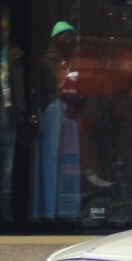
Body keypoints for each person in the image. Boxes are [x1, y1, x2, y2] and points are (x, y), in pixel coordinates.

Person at [32, 21, 81, 221]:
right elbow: (40, 94)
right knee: (51, 162)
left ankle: (60, 209)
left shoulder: (66, 63)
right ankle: (48, 210)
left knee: (64, 162)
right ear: (56, 38)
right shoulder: (47, 62)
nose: (69, 39)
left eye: (71, 35)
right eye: (65, 35)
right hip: (53, 111)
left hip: (65, 112)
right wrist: (39, 117)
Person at [0, 8, 30, 225]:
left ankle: (5, 218)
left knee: (6, 172)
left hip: (9, 121)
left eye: (6, 30)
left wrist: (22, 119)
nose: (3, 34)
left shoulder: (14, 56)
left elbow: (19, 92)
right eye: (0, 29)